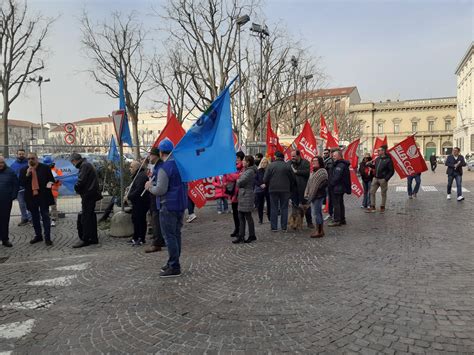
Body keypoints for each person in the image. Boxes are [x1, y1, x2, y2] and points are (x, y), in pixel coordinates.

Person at [145, 138, 187, 278]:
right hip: (180, 204)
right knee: (176, 235)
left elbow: (160, 190)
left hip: (167, 205)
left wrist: (149, 187)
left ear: (161, 152)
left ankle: (174, 265)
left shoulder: (165, 168)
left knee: (170, 237)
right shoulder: (180, 165)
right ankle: (172, 262)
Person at [19, 152, 55, 246]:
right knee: (35, 218)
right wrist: (27, 174)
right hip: (31, 197)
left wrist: (47, 187)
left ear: (37, 158)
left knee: (45, 216)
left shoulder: (45, 168)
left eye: (32, 158)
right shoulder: (24, 170)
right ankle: (38, 236)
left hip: (43, 196)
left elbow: (51, 180)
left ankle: (47, 237)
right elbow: (22, 183)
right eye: (29, 159)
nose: (30, 160)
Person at [70, 153, 102, 248]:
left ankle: (86, 239)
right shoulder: (86, 164)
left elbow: (81, 181)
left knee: (86, 217)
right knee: (90, 216)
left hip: (88, 194)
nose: (72, 164)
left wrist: (76, 188)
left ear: (74, 160)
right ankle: (93, 238)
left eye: (72, 162)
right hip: (90, 193)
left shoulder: (84, 166)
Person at [263, 151, 296, 232]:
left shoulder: (270, 166)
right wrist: (289, 187)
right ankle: (284, 227)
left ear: (275, 157)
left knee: (273, 208)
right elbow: (293, 178)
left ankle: (274, 227)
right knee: (284, 208)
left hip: (273, 189)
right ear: (283, 157)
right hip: (285, 190)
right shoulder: (287, 166)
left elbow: (265, 179)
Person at [145, 147, 165, 253]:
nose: (149, 157)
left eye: (150, 155)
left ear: (155, 155)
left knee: (156, 219)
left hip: (157, 197)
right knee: (155, 219)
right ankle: (158, 239)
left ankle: (158, 242)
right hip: (154, 197)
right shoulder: (154, 166)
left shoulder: (160, 167)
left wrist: (150, 186)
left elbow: (158, 184)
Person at [233, 155, 257, 244]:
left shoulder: (250, 171)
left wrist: (237, 179)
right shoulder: (246, 170)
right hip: (243, 196)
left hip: (247, 196)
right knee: (241, 216)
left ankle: (251, 235)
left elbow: (240, 182)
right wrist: (239, 177)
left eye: (244, 160)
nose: (242, 161)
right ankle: (241, 235)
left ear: (248, 162)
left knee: (247, 216)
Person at [126, 160, 150, 246]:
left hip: (141, 202)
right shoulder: (137, 175)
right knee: (135, 219)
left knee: (140, 220)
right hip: (137, 202)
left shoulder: (141, 176)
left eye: (131, 167)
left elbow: (138, 190)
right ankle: (135, 237)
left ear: (136, 168)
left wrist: (129, 196)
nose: (130, 169)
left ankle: (141, 238)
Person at [304, 156, 328, 238]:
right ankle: (320, 230)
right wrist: (308, 192)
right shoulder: (313, 171)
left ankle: (319, 231)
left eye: (315, 161)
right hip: (314, 195)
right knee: (317, 213)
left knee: (316, 213)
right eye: (313, 161)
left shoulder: (322, 171)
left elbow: (324, 183)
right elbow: (309, 183)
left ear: (320, 162)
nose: (313, 162)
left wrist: (316, 190)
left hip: (318, 195)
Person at [366, 145, 394, 213]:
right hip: (375, 178)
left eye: (379, 150)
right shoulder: (377, 158)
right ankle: (373, 206)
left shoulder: (388, 160)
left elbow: (391, 171)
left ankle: (382, 206)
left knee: (383, 193)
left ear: (383, 151)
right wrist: (369, 165)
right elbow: (375, 167)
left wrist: (386, 179)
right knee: (372, 192)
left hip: (383, 179)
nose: (377, 151)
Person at [289, 150, 313, 228]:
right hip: (293, 189)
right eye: (291, 156)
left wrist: (296, 171)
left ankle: (309, 222)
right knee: (294, 206)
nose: (292, 158)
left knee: (306, 206)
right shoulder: (290, 163)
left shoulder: (305, 162)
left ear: (298, 156)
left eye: (294, 156)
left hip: (303, 189)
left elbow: (307, 172)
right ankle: (294, 223)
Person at [328, 150, 351, 227]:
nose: (333, 157)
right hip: (339, 187)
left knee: (336, 204)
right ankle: (342, 219)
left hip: (337, 187)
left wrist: (331, 184)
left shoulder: (340, 165)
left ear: (339, 156)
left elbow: (337, 177)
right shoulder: (339, 164)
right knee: (340, 203)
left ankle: (337, 220)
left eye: (335, 155)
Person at [224, 151, 245, 237]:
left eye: (237, 158)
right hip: (233, 193)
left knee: (240, 213)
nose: (236, 159)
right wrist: (233, 176)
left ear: (240, 158)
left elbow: (238, 176)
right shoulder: (233, 167)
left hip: (239, 193)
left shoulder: (243, 167)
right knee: (235, 213)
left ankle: (240, 230)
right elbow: (229, 177)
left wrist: (231, 175)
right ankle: (236, 229)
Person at [0, 156, 19, 247]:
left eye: (2, 163)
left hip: (5, 201)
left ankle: (5, 239)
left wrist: (13, 196)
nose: (0, 164)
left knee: (4, 220)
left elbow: (16, 184)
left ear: (4, 163)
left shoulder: (10, 172)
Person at [10, 149, 31, 226]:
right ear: (17, 155)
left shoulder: (28, 164)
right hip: (19, 188)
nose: (21, 155)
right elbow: (12, 176)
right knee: (22, 204)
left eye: (22, 154)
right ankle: (24, 218)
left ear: (24, 154)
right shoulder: (13, 165)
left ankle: (31, 218)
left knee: (29, 203)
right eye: (20, 154)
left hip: (28, 187)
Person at [43, 156, 62, 227]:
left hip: (53, 192)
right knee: (44, 206)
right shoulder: (43, 170)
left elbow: (60, 181)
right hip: (45, 192)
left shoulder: (57, 171)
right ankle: (46, 219)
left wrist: (56, 181)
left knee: (53, 207)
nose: (48, 166)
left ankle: (53, 219)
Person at [254, 157, 271, 224]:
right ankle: (260, 219)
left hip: (268, 189)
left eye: (265, 162)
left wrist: (266, 184)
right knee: (260, 205)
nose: (263, 164)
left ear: (267, 163)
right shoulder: (259, 171)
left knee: (269, 204)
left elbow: (271, 179)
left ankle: (269, 217)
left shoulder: (269, 170)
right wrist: (260, 184)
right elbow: (255, 179)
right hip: (260, 190)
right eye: (262, 162)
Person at [323, 148, 334, 221]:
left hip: (329, 182)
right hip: (325, 182)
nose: (325, 154)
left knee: (330, 198)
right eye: (324, 153)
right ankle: (330, 213)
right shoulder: (324, 160)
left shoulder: (329, 161)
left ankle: (331, 214)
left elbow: (329, 172)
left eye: (327, 153)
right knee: (327, 197)